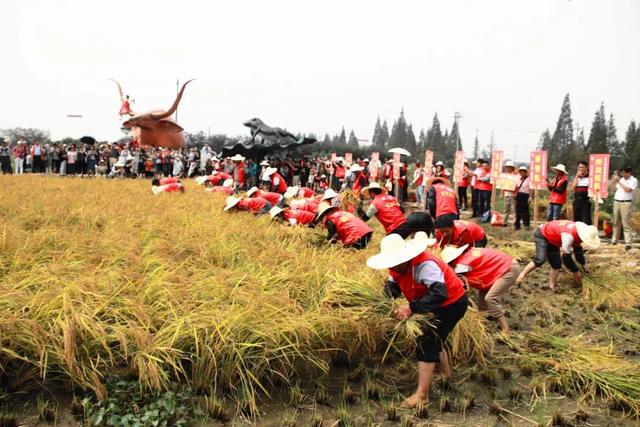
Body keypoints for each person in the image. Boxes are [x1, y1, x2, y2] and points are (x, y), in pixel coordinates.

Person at [366, 233, 467, 408]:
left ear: (404, 257)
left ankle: (422, 395)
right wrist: (377, 304)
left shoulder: (424, 265)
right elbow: (392, 289)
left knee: (427, 342)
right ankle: (446, 375)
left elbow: (439, 293)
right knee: (436, 338)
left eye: (394, 262)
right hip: (436, 303)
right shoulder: (396, 268)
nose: (392, 266)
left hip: (452, 303)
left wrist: (411, 308)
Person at [441, 245, 520, 334]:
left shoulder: (462, 265)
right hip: (502, 267)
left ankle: (505, 329)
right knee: (482, 307)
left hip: (508, 270)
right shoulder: (471, 252)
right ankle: (482, 327)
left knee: (490, 298)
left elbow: (461, 287)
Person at [516, 220, 600, 292]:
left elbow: (578, 250)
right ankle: (521, 275)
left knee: (556, 264)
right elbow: (566, 258)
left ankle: (552, 286)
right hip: (543, 234)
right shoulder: (569, 236)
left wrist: (583, 264)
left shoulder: (581, 231)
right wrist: (575, 271)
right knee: (540, 259)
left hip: (554, 238)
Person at [360, 182, 433, 238]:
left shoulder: (374, 203)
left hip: (395, 229)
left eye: (370, 194)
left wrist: (359, 210)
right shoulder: (390, 197)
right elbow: (401, 210)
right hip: (405, 224)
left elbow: (365, 218)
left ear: (372, 193)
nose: (369, 196)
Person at [611, 166, 638, 250]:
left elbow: (628, 190)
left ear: (629, 172)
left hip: (626, 203)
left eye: (625, 173)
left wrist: (619, 181)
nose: (623, 175)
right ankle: (614, 240)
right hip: (617, 202)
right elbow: (613, 189)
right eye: (622, 173)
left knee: (626, 223)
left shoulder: (634, 180)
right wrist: (614, 181)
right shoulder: (621, 179)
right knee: (615, 222)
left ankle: (628, 243)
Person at [571, 160, 591, 225]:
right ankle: (577, 233)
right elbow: (573, 188)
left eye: (583, 167)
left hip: (585, 200)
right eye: (579, 167)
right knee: (576, 219)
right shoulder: (577, 177)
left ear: (587, 168)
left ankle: (585, 234)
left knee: (585, 219)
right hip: (577, 200)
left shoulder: (590, 177)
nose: (581, 169)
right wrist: (577, 176)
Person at [514, 166, 532, 230]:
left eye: (523, 171)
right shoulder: (519, 179)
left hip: (525, 196)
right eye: (521, 171)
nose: (522, 173)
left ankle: (526, 225)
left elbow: (531, 188)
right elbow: (516, 187)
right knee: (517, 211)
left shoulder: (529, 179)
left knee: (525, 211)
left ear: (526, 172)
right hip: (519, 195)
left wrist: (530, 196)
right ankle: (517, 225)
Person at [502, 161, 517, 226]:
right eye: (506, 167)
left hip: (513, 194)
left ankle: (515, 222)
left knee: (514, 209)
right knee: (506, 209)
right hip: (506, 194)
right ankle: (505, 222)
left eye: (508, 167)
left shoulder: (515, 176)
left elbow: (517, 185)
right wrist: (502, 192)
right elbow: (502, 185)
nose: (507, 168)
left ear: (512, 168)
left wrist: (516, 193)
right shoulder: (505, 176)